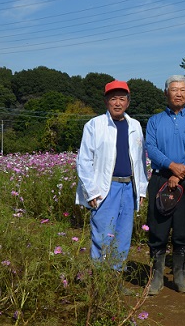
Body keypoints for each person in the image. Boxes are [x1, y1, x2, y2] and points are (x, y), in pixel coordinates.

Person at [75, 80, 149, 273]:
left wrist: (141, 188)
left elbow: (140, 160)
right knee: (102, 236)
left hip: (128, 188)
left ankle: (115, 279)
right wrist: (90, 192)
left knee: (123, 237)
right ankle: (100, 282)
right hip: (105, 189)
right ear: (106, 101)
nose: (118, 103)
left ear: (128, 102)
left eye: (122, 99)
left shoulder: (135, 125)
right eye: (113, 99)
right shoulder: (94, 125)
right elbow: (84, 160)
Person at [145, 75, 185, 295]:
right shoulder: (154, 121)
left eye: (182, 90)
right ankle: (157, 278)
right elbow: (151, 148)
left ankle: (180, 277)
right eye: (174, 89)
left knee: (183, 230)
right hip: (161, 178)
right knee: (158, 229)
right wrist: (171, 166)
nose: (178, 93)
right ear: (166, 93)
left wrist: (180, 173)